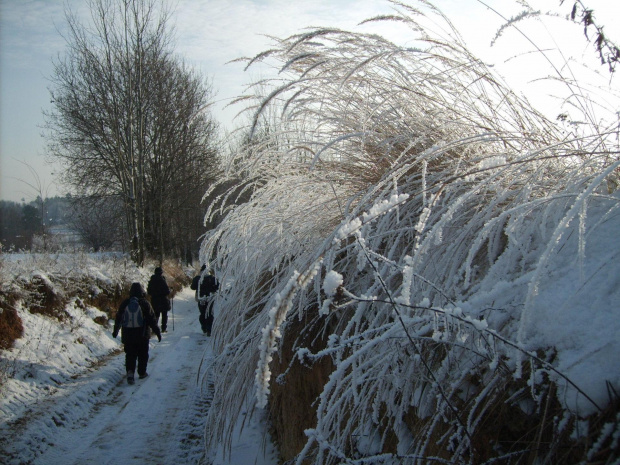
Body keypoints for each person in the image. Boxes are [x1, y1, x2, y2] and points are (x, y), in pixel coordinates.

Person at [112, 282, 162, 385]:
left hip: (128, 335)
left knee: (130, 354)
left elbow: (119, 318)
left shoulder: (125, 303)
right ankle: (142, 372)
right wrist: (157, 332)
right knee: (143, 354)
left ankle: (130, 373)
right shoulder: (145, 303)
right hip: (142, 334)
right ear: (142, 292)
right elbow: (151, 319)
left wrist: (115, 331)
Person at [190, 264, 219, 336]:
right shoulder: (212, 278)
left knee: (202, 313)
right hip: (210, 298)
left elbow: (192, 287)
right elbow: (217, 286)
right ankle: (209, 329)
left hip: (201, 298)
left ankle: (204, 327)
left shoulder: (197, 278)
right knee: (209, 313)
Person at [147, 266, 171, 332]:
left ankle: (155, 329)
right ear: (161, 273)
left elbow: (149, 291)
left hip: (155, 300)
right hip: (163, 300)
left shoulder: (152, 280)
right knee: (164, 315)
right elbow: (167, 291)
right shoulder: (162, 280)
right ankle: (163, 328)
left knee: (156, 315)